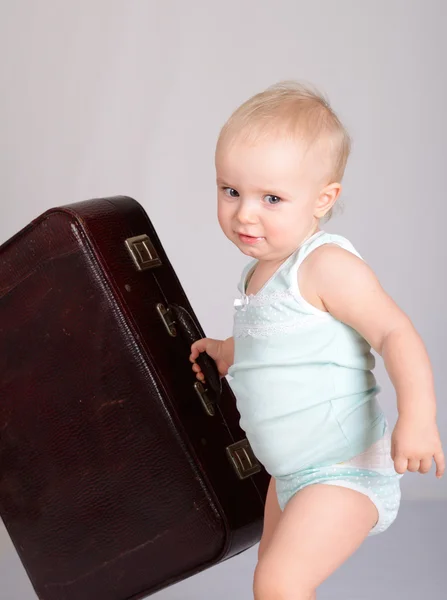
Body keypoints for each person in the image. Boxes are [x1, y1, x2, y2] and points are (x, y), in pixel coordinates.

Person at [189, 81, 445, 600]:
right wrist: (226, 353)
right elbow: (276, 350)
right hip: (289, 474)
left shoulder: (327, 265)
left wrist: (418, 417)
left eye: (272, 198)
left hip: (344, 469)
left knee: (280, 582)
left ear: (323, 200)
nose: (245, 214)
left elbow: (396, 334)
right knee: (273, 585)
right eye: (230, 190)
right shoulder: (257, 274)